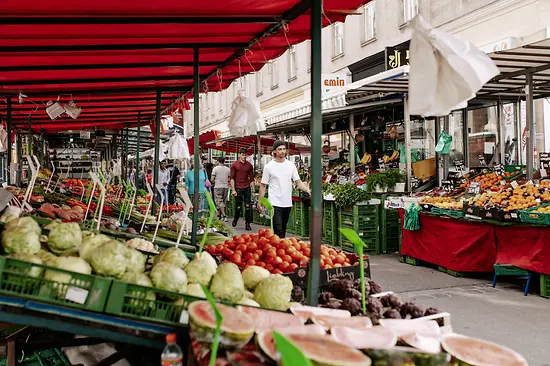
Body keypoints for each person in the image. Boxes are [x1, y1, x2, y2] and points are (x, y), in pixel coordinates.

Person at [258, 140, 310, 238]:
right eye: (279, 149)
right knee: (278, 230)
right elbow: (263, 185)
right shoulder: (269, 167)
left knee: (283, 229)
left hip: (287, 203)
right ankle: (277, 249)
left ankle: (278, 249)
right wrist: (260, 202)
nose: (282, 151)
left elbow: (298, 182)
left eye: (284, 149)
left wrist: (307, 190)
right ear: (274, 152)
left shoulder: (291, 165)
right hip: (274, 203)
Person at [230, 148, 255, 231]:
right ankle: (236, 219)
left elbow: (251, 179)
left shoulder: (249, 166)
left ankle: (247, 224)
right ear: (239, 155)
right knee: (238, 206)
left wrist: (253, 191)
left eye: (245, 155)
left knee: (248, 206)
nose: (244, 156)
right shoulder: (234, 165)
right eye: (242, 154)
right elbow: (232, 178)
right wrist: (233, 189)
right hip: (238, 188)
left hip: (247, 187)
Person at [211, 157, 231, 221]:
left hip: (218, 186)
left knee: (219, 201)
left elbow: (212, 179)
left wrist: (215, 182)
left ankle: (224, 216)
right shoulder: (228, 169)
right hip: (225, 187)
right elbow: (229, 179)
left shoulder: (215, 169)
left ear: (218, 161)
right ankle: (220, 215)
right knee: (223, 201)